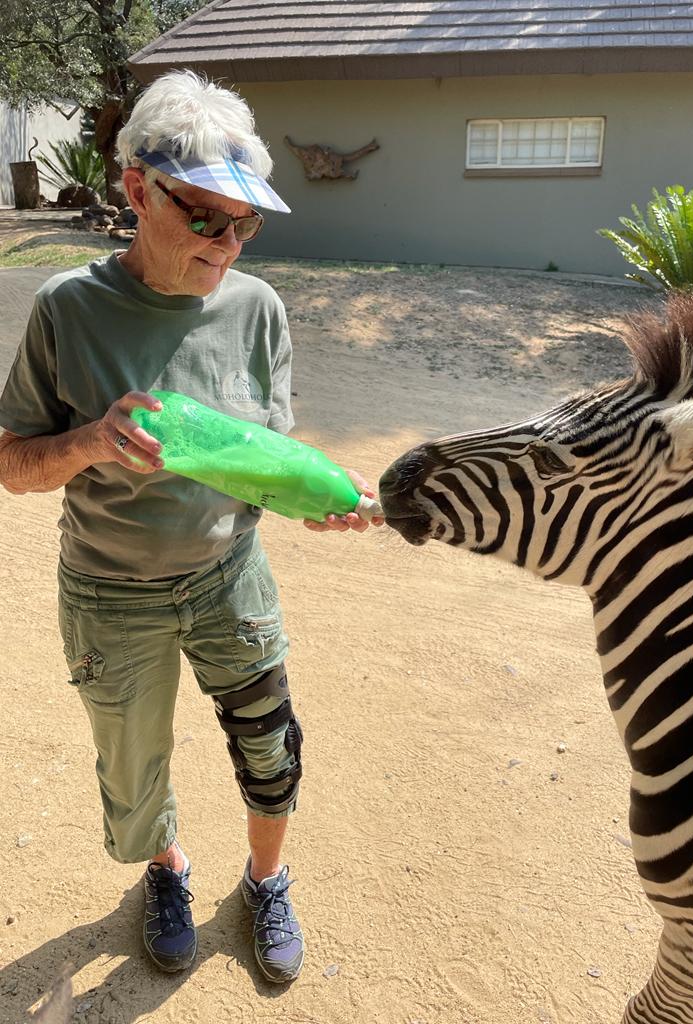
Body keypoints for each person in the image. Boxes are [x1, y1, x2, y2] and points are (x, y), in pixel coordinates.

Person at [0, 70, 382, 983]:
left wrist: (317, 502)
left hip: (228, 578)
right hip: (110, 590)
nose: (228, 244)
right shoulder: (67, 309)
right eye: (205, 217)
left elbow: (270, 459)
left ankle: (265, 879)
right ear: (138, 189)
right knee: (133, 769)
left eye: (245, 223)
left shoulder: (259, 311)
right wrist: (91, 441)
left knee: (271, 745)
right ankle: (166, 870)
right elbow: (12, 462)